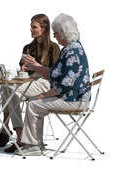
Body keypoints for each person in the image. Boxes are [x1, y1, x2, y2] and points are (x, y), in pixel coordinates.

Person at [14, 13, 91, 156]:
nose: (54, 36)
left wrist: (43, 94)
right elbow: (56, 73)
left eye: (56, 33)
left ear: (63, 33)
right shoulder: (72, 47)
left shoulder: (71, 52)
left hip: (74, 99)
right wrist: (36, 67)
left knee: (33, 104)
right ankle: (37, 143)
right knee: (35, 102)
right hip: (75, 97)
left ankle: (32, 146)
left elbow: (65, 85)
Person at [0, 14, 60, 153]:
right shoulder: (28, 47)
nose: (31, 30)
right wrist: (23, 68)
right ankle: (20, 135)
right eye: (31, 27)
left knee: (8, 90)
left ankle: (7, 129)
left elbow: (55, 74)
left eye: (34, 27)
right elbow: (23, 69)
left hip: (45, 83)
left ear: (44, 28)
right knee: (6, 88)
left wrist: (36, 65)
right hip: (28, 82)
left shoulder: (53, 48)